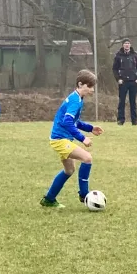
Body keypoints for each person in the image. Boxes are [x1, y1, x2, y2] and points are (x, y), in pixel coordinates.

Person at [40, 69, 104, 208]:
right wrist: (83, 138)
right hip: (60, 139)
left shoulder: (77, 98)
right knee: (87, 158)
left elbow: (75, 121)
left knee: (69, 170)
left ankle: (49, 199)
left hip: (61, 138)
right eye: (89, 86)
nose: (92, 90)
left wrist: (90, 128)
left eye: (93, 87)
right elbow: (67, 122)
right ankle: (84, 194)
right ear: (80, 84)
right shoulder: (75, 100)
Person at [112, 38, 137, 125]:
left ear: (130, 45)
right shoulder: (118, 55)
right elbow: (114, 68)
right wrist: (118, 79)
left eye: (128, 43)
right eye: (125, 43)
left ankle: (134, 120)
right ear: (122, 45)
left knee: (133, 102)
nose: (127, 45)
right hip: (123, 82)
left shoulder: (135, 55)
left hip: (133, 81)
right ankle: (121, 120)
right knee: (122, 101)